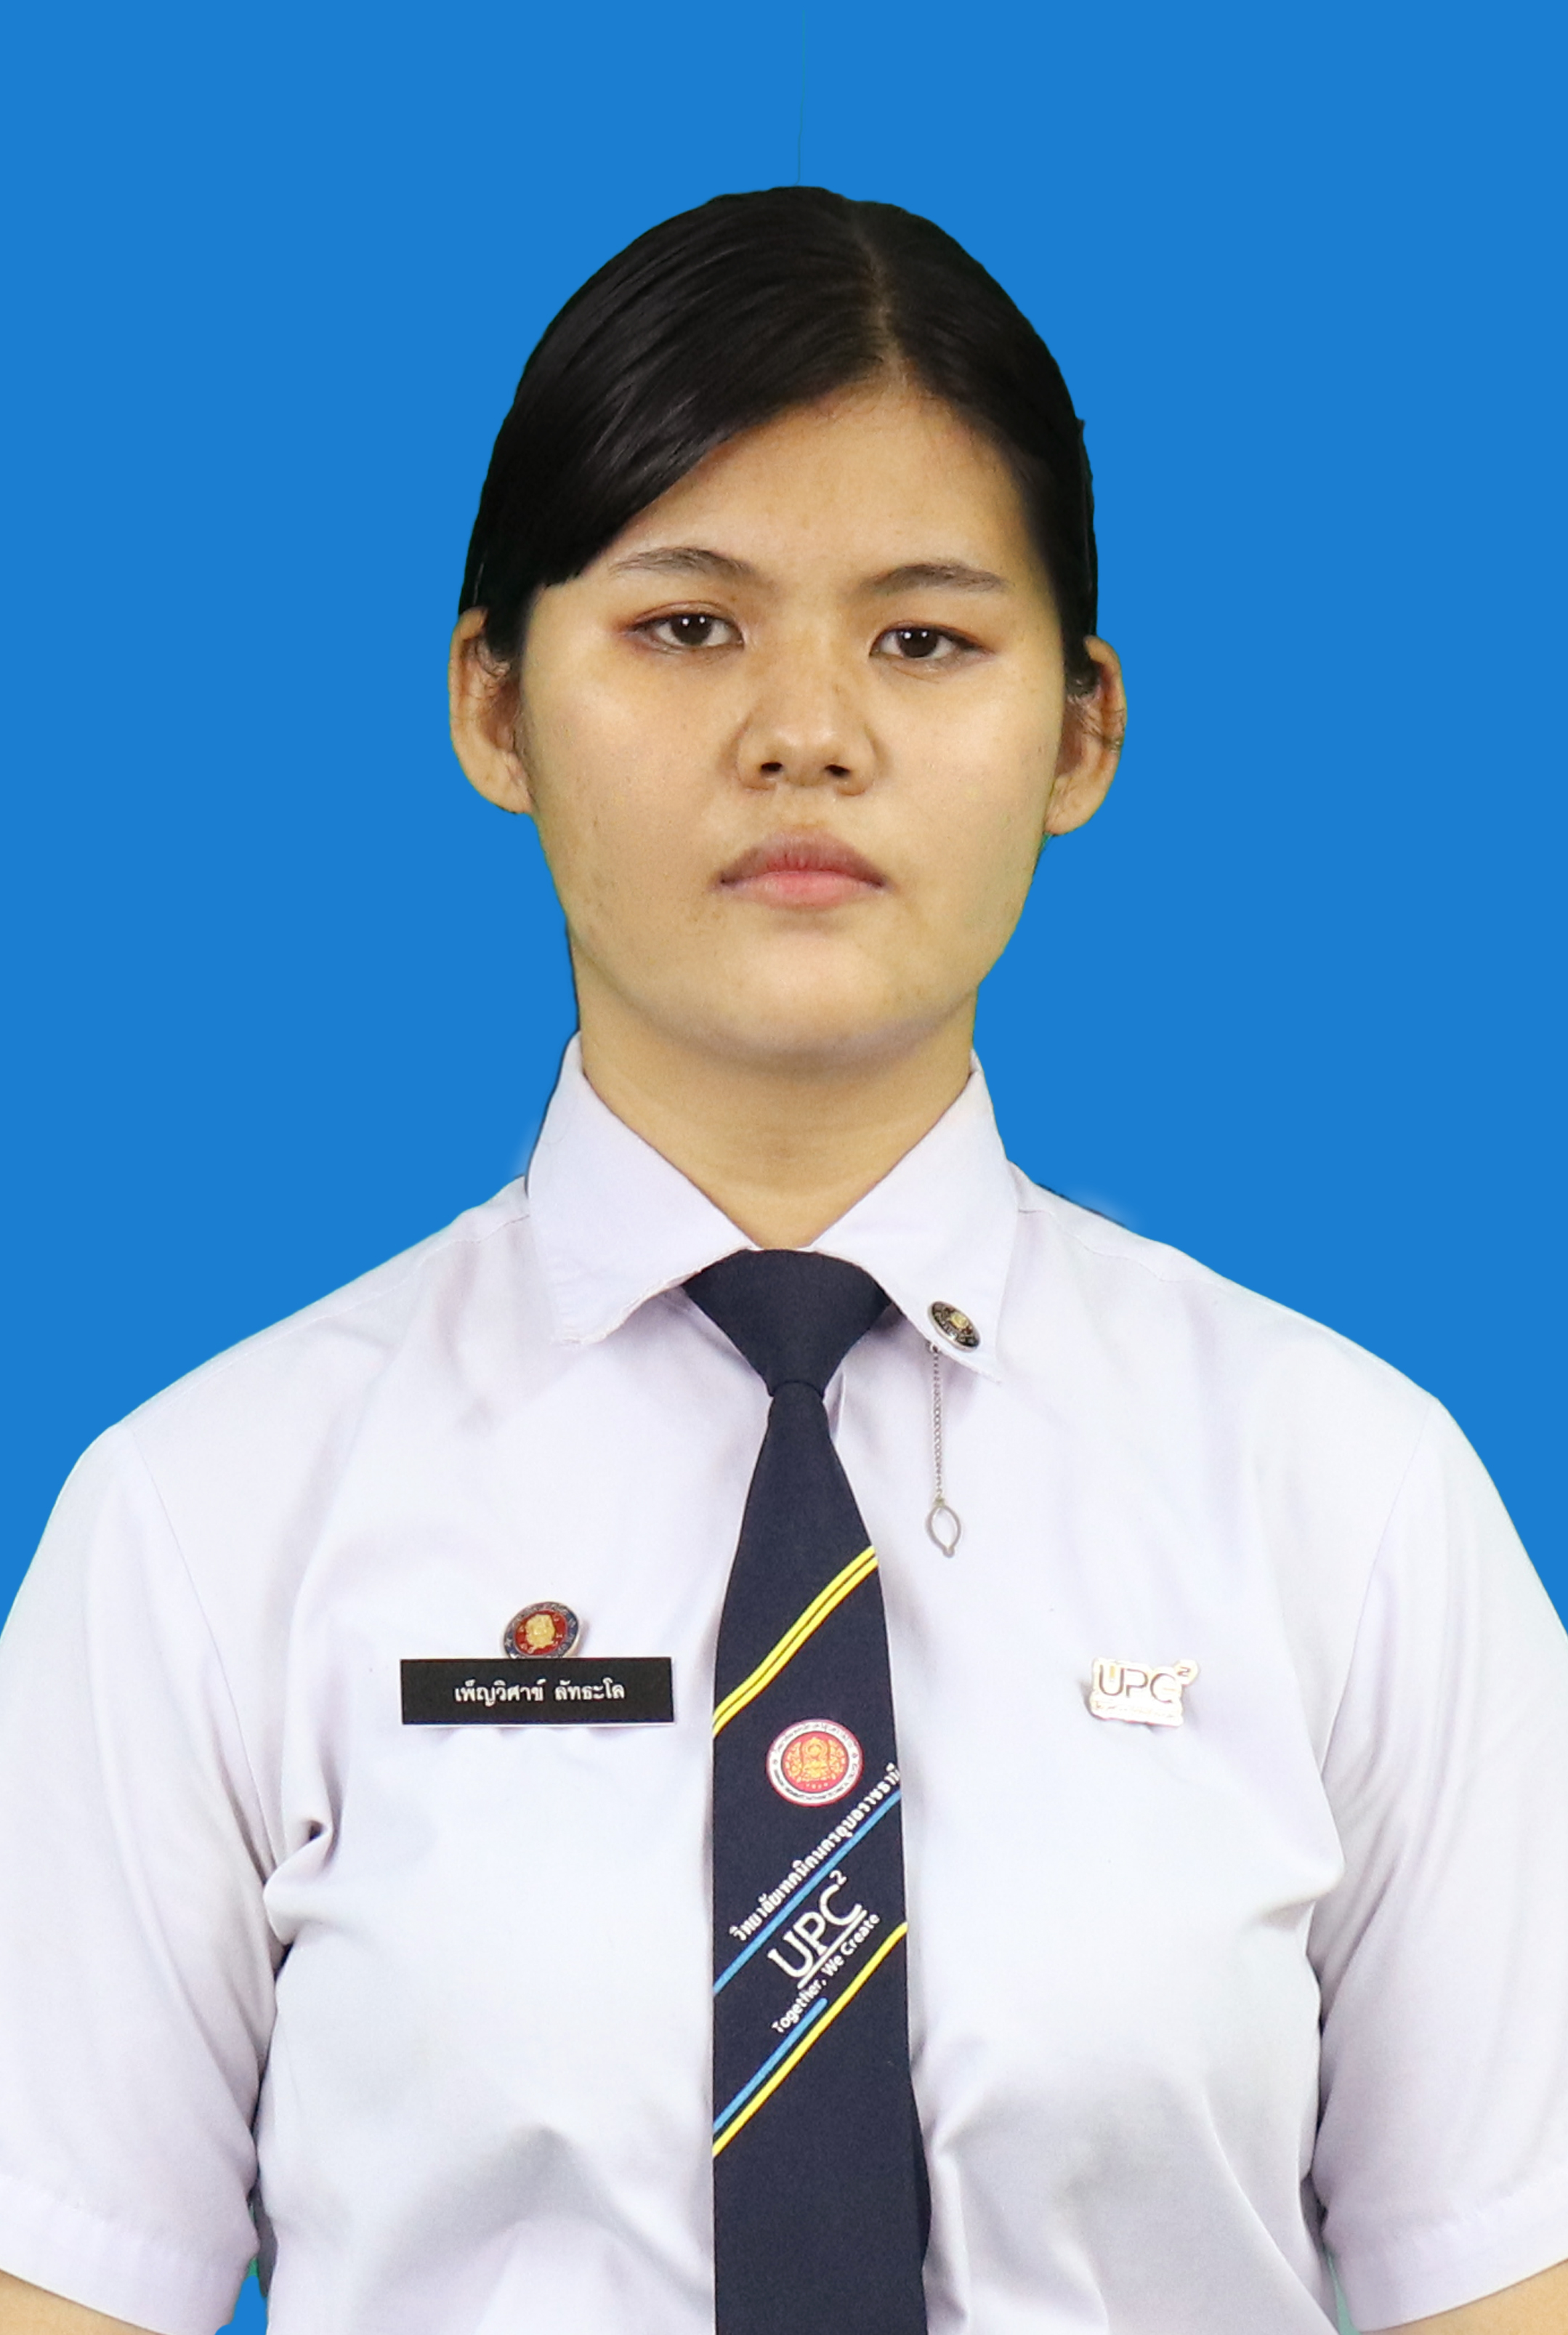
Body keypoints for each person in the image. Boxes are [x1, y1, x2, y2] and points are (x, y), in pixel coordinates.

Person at [1, 186, 1565, 2335]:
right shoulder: (204, 1525)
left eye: (923, 639)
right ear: (492, 706)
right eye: (686, 626)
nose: (806, 731)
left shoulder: (1349, 1503)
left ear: (1082, 733)